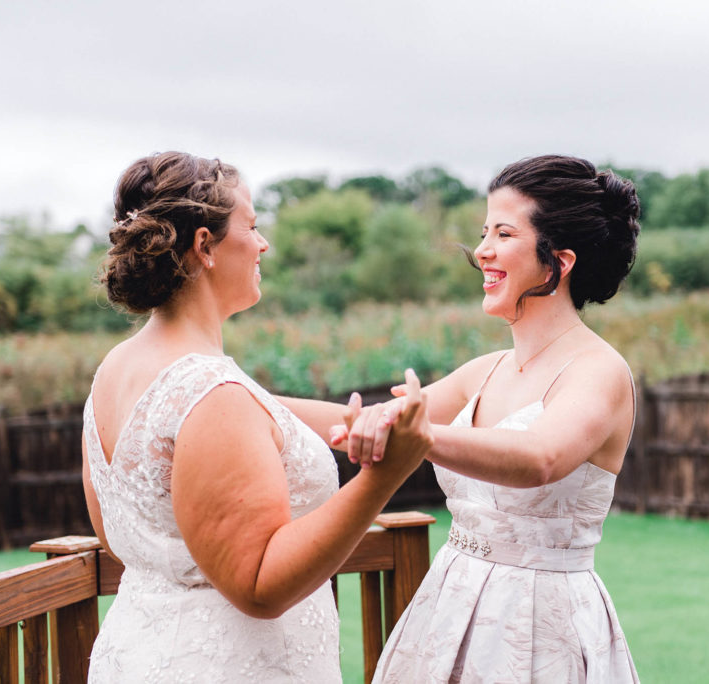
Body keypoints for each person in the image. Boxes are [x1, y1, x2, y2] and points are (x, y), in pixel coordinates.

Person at [80, 151, 432, 682]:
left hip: (141, 654)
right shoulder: (211, 392)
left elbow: (117, 534)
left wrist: (359, 420)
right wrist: (385, 476)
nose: (263, 243)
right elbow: (260, 585)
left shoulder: (118, 372)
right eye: (252, 225)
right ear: (205, 246)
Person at [339, 154, 642, 682]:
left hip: (543, 624)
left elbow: (540, 458)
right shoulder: (486, 370)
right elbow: (364, 415)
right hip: (449, 603)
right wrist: (232, 389)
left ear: (559, 261)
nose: (481, 251)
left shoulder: (600, 371)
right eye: (485, 233)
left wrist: (420, 436)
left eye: (503, 233)